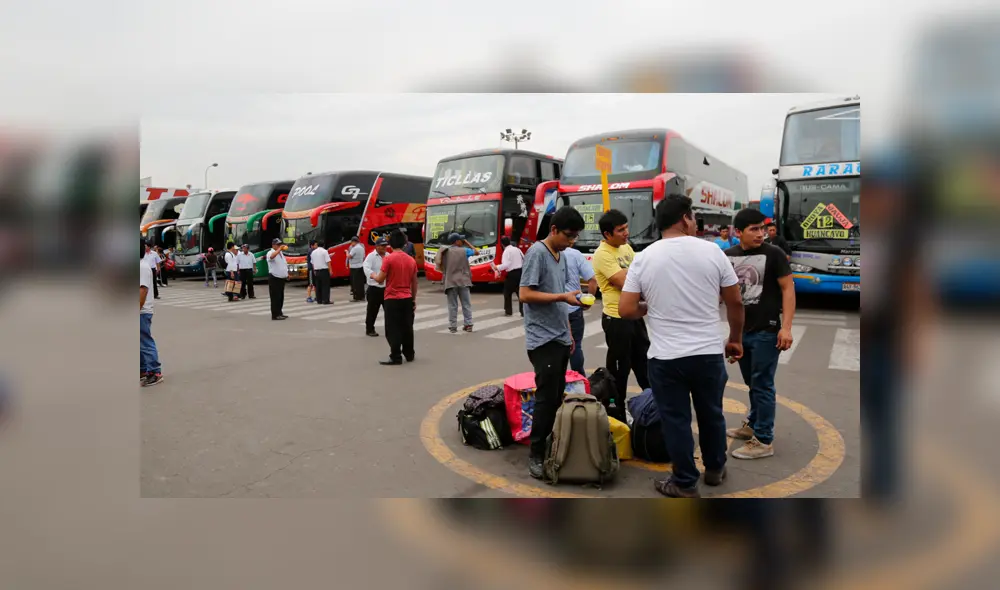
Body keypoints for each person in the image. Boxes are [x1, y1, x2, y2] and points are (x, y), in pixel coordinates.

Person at [619, 195, 744, 498]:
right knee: (711, 413)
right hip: (707, 353)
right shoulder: (713, 251)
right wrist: (735, 339)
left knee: (676, 420)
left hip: (666, 357)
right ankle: (714, 470)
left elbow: (626, 309)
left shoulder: (644, 257)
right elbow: (735, 301)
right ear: (685, 218)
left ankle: (685, 482)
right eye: (693, 218)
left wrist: (645, 310)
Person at [518, 206, 587, 479]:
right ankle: (536, 452)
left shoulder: (562, 255)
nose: (571, 242)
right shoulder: (537, 253)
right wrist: (562, 298)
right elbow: (524, 294)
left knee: (557, 394)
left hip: (559, 335)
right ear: (554, 229)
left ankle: (550, 441)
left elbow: (560, 294)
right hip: (541, 338)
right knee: (546, 397)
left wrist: (569, 332)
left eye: (575, 238)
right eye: (568, 236)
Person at [724, 209, 796, 460]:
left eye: (762, 228)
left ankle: (764, 439)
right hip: (741, 332)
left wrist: (785, 327)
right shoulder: (728, 255)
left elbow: (788, 289)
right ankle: (753, 424)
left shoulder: (774, 254)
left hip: (767, 330)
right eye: (753, 229)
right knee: (752, 382)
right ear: (738, 232)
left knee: (762, 384)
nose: (760, 234)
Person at [592, 209, 650, 407]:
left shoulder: (626, 248)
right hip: (616, 318)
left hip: (635, 314)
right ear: (607, 234)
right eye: (620, 230)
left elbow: (640, 273)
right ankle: (615, 409)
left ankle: (654, 403)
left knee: (644, 361)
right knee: (620, 369)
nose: (626, 232)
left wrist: (633, 275)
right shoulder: (602, 254)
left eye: (626, 227)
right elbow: (624, 282)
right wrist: (632, 275)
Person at [372, 231, 418, 365]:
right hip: (407, 297)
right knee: (407, 327)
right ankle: (409, 354)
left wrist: (373, 275)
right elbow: (414, 282)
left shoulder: (389, 259)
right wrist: (413, 299)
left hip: (392, 298)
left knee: (393, 328)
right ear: (404, 244)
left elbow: (380, 279)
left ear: (390, 244)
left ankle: (396, 355)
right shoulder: (411, 260)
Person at [564, 245, 598, 375]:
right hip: (574, 308)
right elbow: (593, 280)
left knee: (556, 348)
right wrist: (589, 299)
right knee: (576, 346)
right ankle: (578, 378)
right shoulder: (575, 254)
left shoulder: (547, 253)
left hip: (555, 309)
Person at [437, 232, 476, 333]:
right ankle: (468, 324)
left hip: (450, 281)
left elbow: (439, 263)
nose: (462, 241)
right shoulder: (465, 250)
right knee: (466, 304)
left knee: (452, 305)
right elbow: (476, 252)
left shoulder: (445, 251)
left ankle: (453, 326)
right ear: (457, 241)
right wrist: (467, 242)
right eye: (461, 240)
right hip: (464, 281)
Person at [140, 240, 164, 387]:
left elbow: (143, 290)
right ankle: (144, 369)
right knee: (139, 342)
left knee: (145, 341)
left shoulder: (142, 267)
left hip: (142, 311)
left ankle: (155, 371)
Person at [493, 236, 524, 317]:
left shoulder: (506, 251)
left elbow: (506, 265)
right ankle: (523, 311)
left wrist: (497, 267)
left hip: (512, 274)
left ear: (502, 244)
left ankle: (508, 311)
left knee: (507, 292)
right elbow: (524, 259)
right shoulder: (517, 249)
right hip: (520, 272)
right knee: (520, 293)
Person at [363, 238, 389, 337]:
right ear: (377, 246)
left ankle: (390, 329)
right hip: (374, 288)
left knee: (389, 310)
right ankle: (369, 329)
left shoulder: (388, 256)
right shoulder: (371, 257)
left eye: (385, 245)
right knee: (372, 311)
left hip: (386, 288)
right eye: (382, 246)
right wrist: (375, 276)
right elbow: (366, 268)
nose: (384, 248)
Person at [266, 238, 289, 320]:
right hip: (274, 277)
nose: (280, 246)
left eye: (280, 244)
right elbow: (271, 257)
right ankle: (275, 315)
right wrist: (279, 249)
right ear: (273, 245)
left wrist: (287, 274)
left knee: (280, 297)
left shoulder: (281, 253)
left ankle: (280, 312)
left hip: (281, 278)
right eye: (278, 245)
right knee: (275, 297)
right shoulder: (270, 252)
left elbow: (283, 264)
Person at [310, 240, 333, 305]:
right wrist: (330, 270)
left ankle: (319, 300)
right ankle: (325, 300)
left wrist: (314, 270)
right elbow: (328, 261)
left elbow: (312, 263)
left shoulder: (313, 252)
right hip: (324, 271)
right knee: (325, 286)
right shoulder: (325, 251)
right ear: (323, 245)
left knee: (318, 286)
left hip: (317, 271)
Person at [347, 236, 367, 302]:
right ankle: (362, 296)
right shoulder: (362, 248)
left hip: (354, 267)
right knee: (360, 283)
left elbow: (349, 256)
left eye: (351, 242)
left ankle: (357, 297)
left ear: (354, 242)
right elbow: (364, 257)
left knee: (355, 283)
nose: (351, 244)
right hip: (360, 266)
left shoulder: (354, 248)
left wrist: (346, 252)